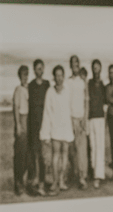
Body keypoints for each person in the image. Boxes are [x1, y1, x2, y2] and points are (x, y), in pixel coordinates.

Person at [39, 65, 73, 195]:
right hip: (55, 127)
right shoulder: (50, 91)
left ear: (64, 76)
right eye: (57, 75)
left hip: (66, 127)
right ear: (54, 77)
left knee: (65, 155)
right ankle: (54, 182)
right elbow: (47, 112)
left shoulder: (67, 90)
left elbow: (70, 108)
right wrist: (46, 133)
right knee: (55, 155)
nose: (59, 78)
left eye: (61, 75)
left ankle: (61, 181)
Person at [26, 59, 50, 195]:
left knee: (43, 155)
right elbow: (29, 106)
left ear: (43, 69)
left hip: (45, 124)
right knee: (33, 154)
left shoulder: (47, 84)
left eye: (41, 68)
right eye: (37, 68)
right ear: (34, 70)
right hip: (33, 125)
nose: (39, 71)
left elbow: (50, 104)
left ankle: (42, 182)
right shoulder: (30, 86)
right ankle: (34, 181)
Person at [68, 55, 88, 190]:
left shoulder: (83, 82)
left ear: (79, 64)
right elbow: (66, 101)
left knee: (82, 151)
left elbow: (87, 101)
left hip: (81, 119)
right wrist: (69, 120)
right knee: (71, 150)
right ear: (70, 66)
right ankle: (74, 174)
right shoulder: (68, 81)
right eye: (73, 63)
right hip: (70, 119)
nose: (75, 65)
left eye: (77, 63)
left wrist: (85, 120)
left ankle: (82, 178)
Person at [87, 60, 107, 189]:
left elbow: (105, 104)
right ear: (92, 69)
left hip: (100, 118)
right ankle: (94, 171)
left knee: (100, 147)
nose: (96, 70)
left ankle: (97, 177)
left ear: (100, 69)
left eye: (98, 68)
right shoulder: (88, 83)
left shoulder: (103, 85)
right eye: (94, 68)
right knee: (92, 147)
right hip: (90, 118)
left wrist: (104, 120)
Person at [12, 65, 30, 196]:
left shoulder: (27, 89)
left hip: (29, 121)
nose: (25, 77)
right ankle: (18, 183)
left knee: (27, 155)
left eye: (26, 74)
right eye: (23, 74)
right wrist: (18, 125)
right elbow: (16, 107)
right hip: (22, 122)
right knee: (20, 154)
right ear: (19, 76)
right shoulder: (18, 89)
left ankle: (26, 182)